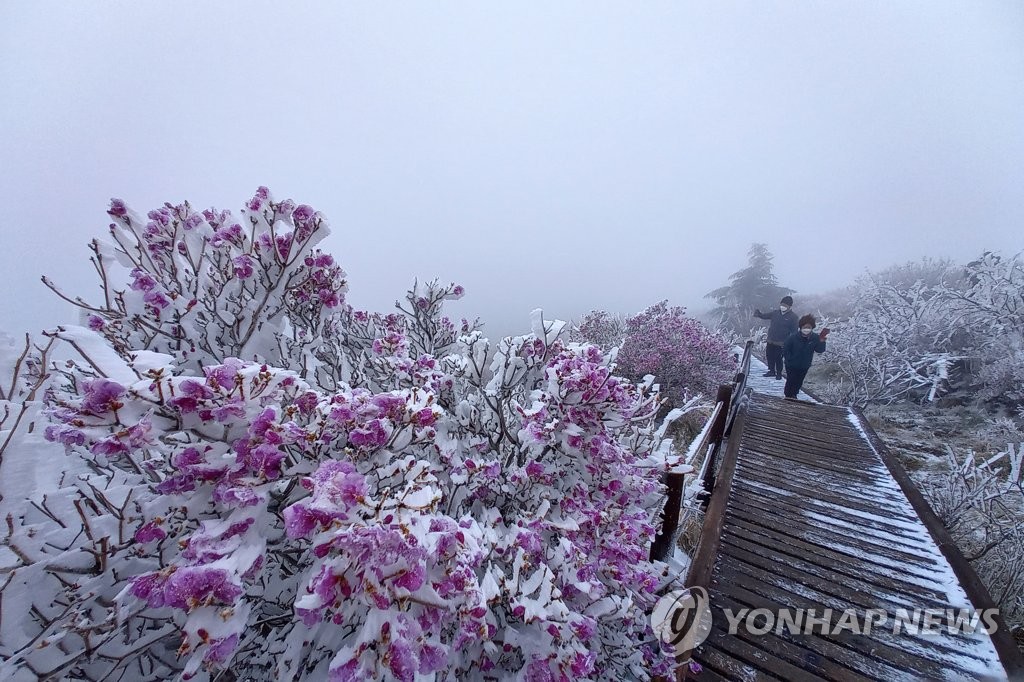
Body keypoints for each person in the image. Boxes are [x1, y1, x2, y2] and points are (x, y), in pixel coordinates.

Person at [782, 314, 829, 399]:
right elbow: (785, 348)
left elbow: (819, 350)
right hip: (791, 364)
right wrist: (789, 359)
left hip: (804, 364)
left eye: (809, 327)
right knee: (791, 380)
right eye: (805, 327)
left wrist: (822, 341)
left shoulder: (815, 338)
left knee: (799, 381)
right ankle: (788, 395)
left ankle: (794, 395)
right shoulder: (793, 337)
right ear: (801, 327)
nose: (806, 329)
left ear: (812, 327)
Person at [753, 296, 798, 380]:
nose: (782, 306)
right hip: (771, 340)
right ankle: (771, 371)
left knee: (778, 358)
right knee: (769, 356)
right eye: (781, 304)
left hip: (782, 342)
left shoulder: (793, 317)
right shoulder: (775, 313)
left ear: (789, 306)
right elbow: (765, 316)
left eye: (784, 305)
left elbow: (794, 331)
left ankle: (779, 373)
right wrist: (759, 314)